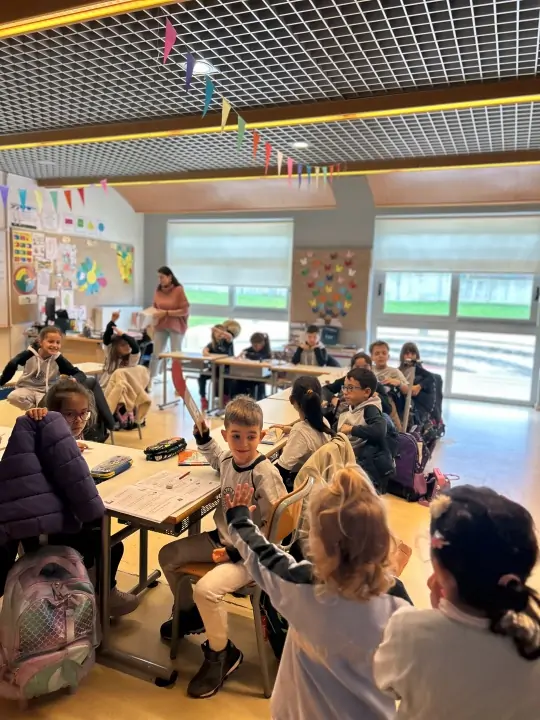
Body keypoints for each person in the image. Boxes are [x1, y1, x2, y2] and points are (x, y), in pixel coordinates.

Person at [225, 467, 412, 720]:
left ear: (318, 543)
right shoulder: (398, 603)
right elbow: (404, 680)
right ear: (382, 539)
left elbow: (262, 555)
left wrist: (239, 518)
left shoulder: (302, 588)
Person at [158, 396, 286, 699]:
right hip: (222, 541)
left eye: (251, 437)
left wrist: (239, 552)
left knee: (206, 590)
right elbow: (216, 456)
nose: (243, 444)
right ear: (226, 435)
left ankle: (222, 653)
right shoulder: (228, 458)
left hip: (251, 556)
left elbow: (279, 526)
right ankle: (191, 615)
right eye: (236, 436)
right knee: (168, 555)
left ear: (261, 436)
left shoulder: (264, 473)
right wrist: (203, 436)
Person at [374, 485, 540, 719]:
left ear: (442, 574)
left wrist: (440, 615)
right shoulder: (531, 643)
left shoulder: (408, 630)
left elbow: (386, 683)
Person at [22, 379, 139, 617]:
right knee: (111, 543)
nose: (78, 420)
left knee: (102, 529)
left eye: (84, 413)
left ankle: (95, 588)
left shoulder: (58, 441)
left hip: (54, 520)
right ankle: (102, 594)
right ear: (51, 414)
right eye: (69, 414)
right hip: (51, 529)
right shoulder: (42, 441)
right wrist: (36, 416)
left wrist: (72, 445)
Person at [337, 367, 395, 494]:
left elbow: (379, 430)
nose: (345, 392)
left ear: (366, 392)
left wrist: (351, 429)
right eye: (344, 387)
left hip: (363, 467)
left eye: (351, 388)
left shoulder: (370, 409)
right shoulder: (352, 406)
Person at [0, 327, 86, 410]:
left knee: (49, 405)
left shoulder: (59, 359)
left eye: (58, 342)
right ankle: (35, 411)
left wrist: (74, 379)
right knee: (13, 397)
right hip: (26, 389)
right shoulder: (29, 354)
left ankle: (40, 413)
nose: (55, 345)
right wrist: (1, 382)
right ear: (40, 342)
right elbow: (12, 364)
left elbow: (79, 373)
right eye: (51, 341)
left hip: (46, 392)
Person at [274, 376, 334, 491]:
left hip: (303, 488)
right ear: (320, 400)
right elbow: (311, 435)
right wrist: (292, 430)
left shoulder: (300, 430)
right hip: (321, 483)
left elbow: (281, 471)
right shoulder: (324, 422)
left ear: (292, 400)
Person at [101, 312, 149, 429]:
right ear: (115, 348)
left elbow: (135, 347)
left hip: (122, 392)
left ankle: (111, 420)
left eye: (128, 345)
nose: (127, 347)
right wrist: (112, 321)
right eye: (123, 345)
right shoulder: (110, 355)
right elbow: (106, 339)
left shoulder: (132, 360)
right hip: (106, 387)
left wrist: (124, 335)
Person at [149, 266, 190, 380]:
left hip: (176, 326)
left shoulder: (178, 290)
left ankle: (178, 380)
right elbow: (155, 307)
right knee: (156, 353)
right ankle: (150, 379)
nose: (160, 280)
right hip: (160, 325)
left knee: (175, 355)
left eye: (162, 277)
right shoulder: (158, 291)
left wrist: (167, 313)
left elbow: (185, 310)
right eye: (158, 277)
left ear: (170, 277)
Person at [324, 351, 392, 415]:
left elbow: (388, 410)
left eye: (365, 366)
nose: (361, 370)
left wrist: (376, 395)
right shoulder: (345, 380)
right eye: (357, 367)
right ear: (351, 368)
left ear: (371, 368)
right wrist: (333, 399)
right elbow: (325, 389)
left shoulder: (377, 385)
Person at [199, 324, 235, 411]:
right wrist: (211, 355)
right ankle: (203, 398)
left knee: (226, 378)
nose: (219, 334)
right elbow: (205, 352)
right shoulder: (211, 344)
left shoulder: (227, 342)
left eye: (221, 332)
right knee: (202, 376)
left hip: (226, 368)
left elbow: (230, 336)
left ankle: (225, 398)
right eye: (216, 332)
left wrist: (219, 331)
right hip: (214, 368)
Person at [398, 342, 435, 424]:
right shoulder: (399, 370)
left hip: (415, 403)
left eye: (412, 354)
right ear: (402, 355)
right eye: (407, 353)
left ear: (417, 356)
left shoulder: (418, 369)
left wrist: (419, 386)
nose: (410, 356)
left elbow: (431, 377)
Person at [234, 332, 272, 401]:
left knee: (248, 382)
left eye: (256, 346)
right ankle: (238, 400)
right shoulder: (251, 349)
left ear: (262, 343)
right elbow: (246, 351)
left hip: (263, 374)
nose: (255, 347)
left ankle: (254, 400)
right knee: (237, 381)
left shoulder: (266, 351)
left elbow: (258, 357)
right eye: (253, 345)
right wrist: (243, 353)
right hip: (253, 373)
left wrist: (247, 354)